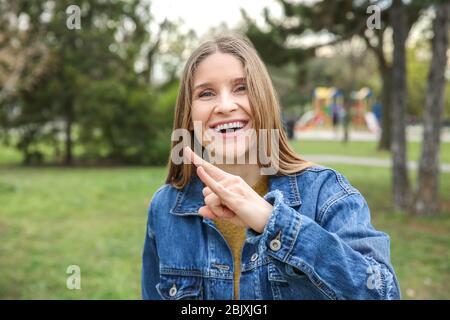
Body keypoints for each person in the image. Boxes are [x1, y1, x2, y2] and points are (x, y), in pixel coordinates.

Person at [141, 33, 400, 300]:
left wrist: (272, 221)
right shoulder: (165, 207)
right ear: (189, 112)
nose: (226, 106)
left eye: (242, 87)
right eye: (206, 93)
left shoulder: (327, 194)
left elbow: (383, 294)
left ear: (263, 98)